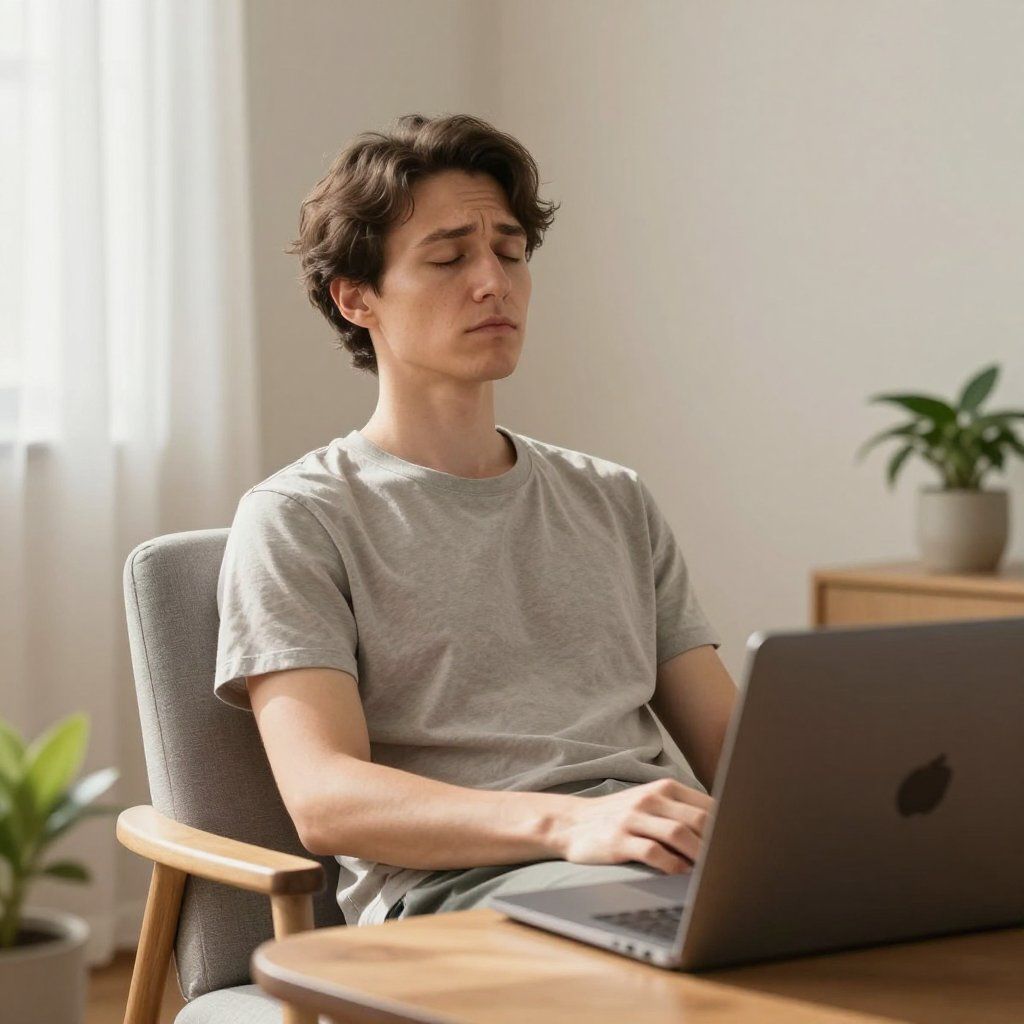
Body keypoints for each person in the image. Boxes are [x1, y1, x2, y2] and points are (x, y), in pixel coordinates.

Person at [213, 113, 738, 927]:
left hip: (655, 871)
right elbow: (327, 800)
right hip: (459, 896)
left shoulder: (613, 497)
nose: (494, 282)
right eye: (450, 257)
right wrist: (574, 824)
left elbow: (731, 747)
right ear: (356, 299)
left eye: (512, 253)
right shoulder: (299, 518)